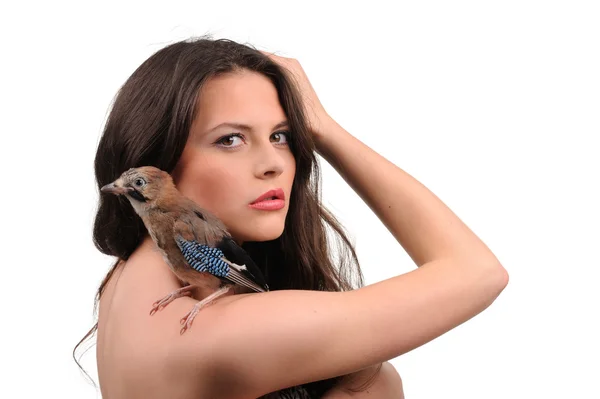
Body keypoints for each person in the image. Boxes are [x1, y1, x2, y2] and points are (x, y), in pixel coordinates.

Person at [74, 36, 509, 398]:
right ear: (156, 162)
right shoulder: (220, 331)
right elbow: (478, 272)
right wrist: (324, 127)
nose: (274, 164)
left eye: (282, 135)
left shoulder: (126, 289)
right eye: (230, 139)